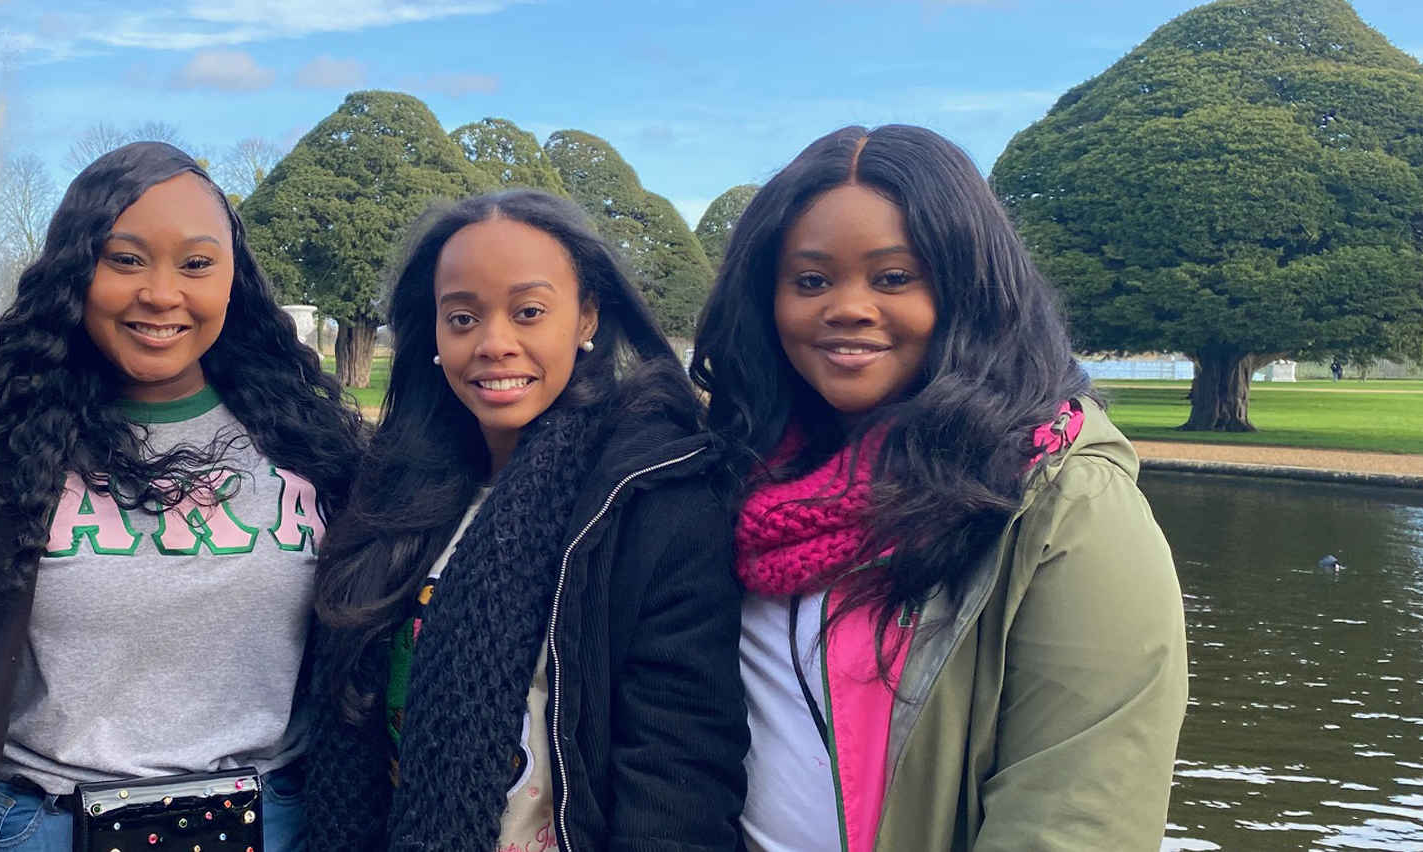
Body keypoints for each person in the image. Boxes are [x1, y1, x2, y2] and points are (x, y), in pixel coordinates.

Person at [0, 142, 366, 852]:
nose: (160, 292)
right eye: (125, 259)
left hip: (277, 829)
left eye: (196, 263)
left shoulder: (318, 447)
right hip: (42, 830)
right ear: (75, 271)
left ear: (233, 280)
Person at [689, 124, 1186, 852]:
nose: (848, 307)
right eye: (811, 280)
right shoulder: (738, 484)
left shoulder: (1066, 507)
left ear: (966, 292)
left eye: (893, 278)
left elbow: (1075, 819)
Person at [305, 189, 747, 852]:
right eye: (462, 318)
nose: (494, 344)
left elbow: (676, 778)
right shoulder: (396, 494)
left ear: (586, 316)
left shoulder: (649, 498)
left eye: (529, 311)